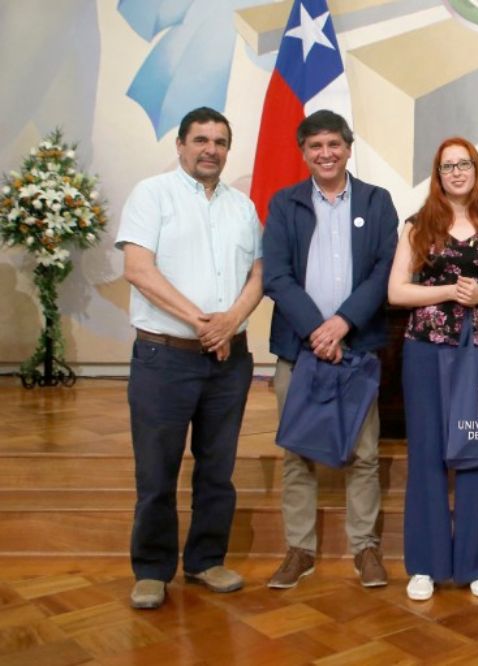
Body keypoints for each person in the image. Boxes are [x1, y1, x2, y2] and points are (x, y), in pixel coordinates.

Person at [117, 106, 263, 610]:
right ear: (180, 145)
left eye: (220, 141)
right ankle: (153, 569)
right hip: (165, 358)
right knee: (156, 471)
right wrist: (206, 324)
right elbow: (139, 270)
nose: (210, 150)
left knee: (217, 468)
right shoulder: (151, 195)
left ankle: (205, 559)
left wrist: (230, 321)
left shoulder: (243, 207)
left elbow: (259, 275)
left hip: (229, 361)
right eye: (200, 140)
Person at [262, 110, 398, 590]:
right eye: (315, 146)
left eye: (334, 145)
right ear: (304, 152)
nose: (325, 153)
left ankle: (365, 548)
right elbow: (275, 274)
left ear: (348, 147)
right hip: (299, 350)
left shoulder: (378, 201)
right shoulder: (285, 204)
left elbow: (384, 270)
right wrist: (318, 331)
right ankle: (300, 549)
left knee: (363, 454)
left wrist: (341, 324)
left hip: (357, 348)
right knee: (298, 453)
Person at [388, 137, 478, 601]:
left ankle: (477, 563)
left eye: (464, 164)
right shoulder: (418, 225)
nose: (457, 172)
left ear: (476, 169)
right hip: (425, 350)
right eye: (448, 166)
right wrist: (445, 292)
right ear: (438, 175)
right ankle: (425, 564)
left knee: (475, 452)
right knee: (425, 454)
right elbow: (397, 292)